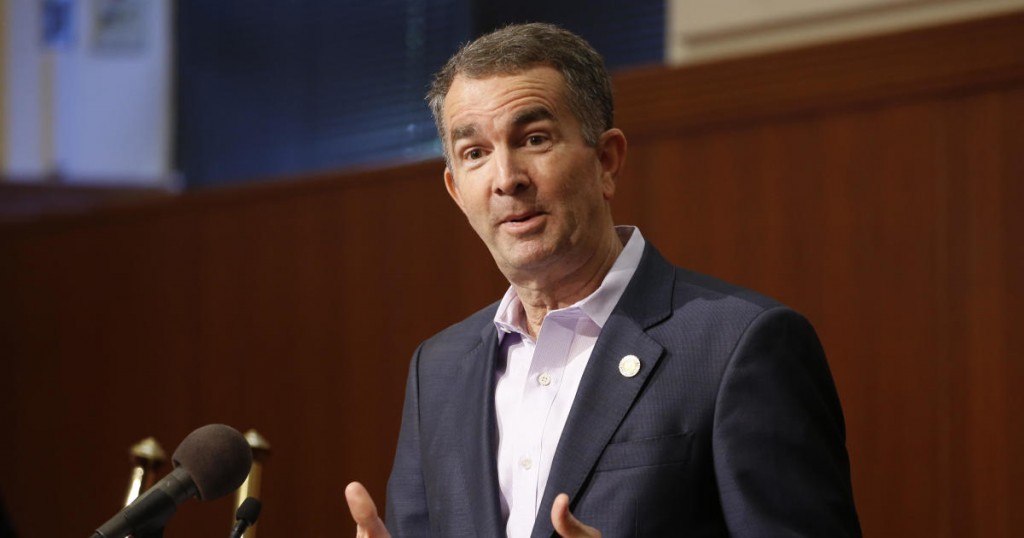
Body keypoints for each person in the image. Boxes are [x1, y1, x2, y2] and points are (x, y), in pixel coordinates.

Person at [345, 23, 861, 537]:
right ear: (457, 192)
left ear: (607, 161)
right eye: (475, 152)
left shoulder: (740, 345)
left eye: (534, 139)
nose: (507, 178)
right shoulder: (437, 371)